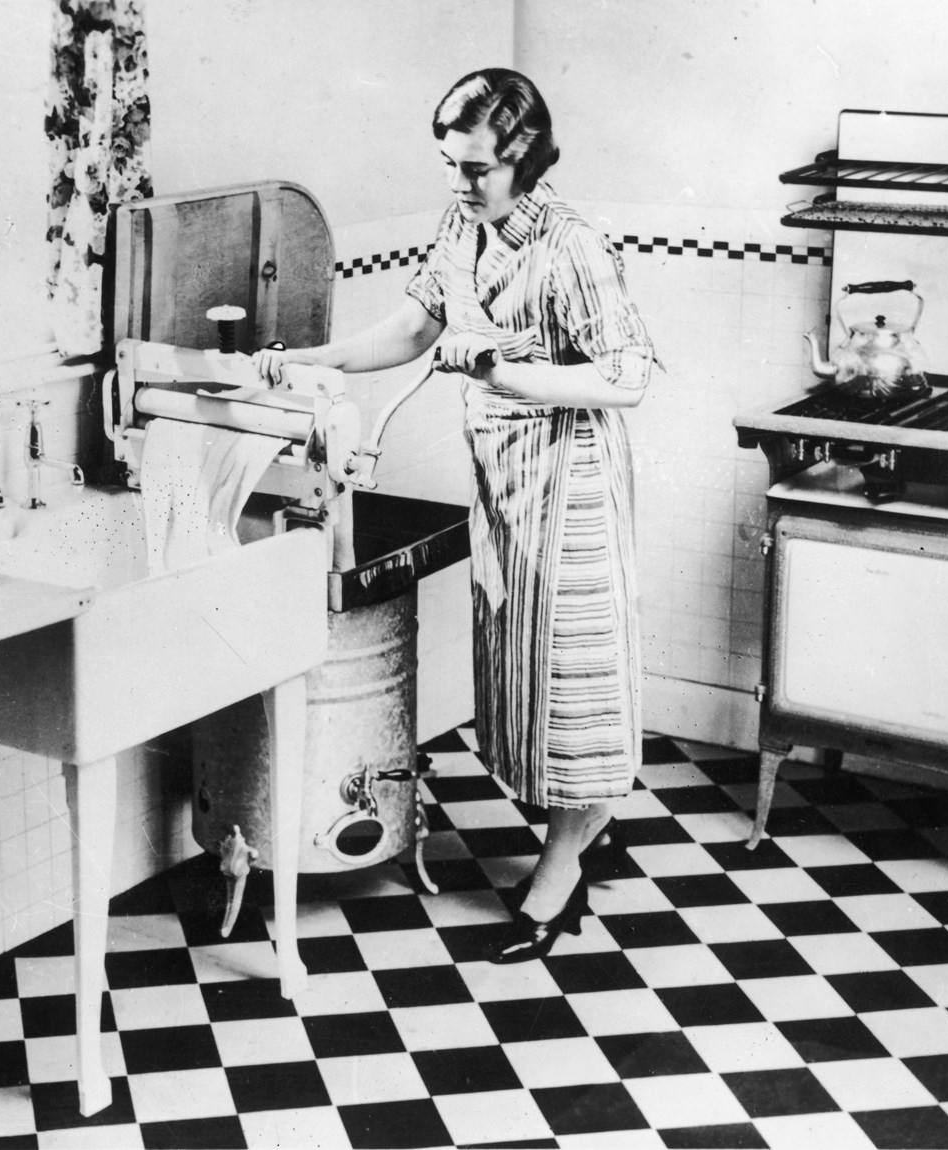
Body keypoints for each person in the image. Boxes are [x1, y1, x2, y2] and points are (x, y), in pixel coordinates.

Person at [254, 68, 660, 963]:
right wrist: (308, 359)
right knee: (520, 671)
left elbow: (625, 377)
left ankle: (560, 871)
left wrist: (500, 369)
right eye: (449, 163)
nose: (458, 182)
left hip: (573, 482)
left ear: (523, 157)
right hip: (503, 477)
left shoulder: (573, 245)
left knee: (573, 680)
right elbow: (412, 327)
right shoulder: (462, 223)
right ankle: (579, 825)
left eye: (474, 168)